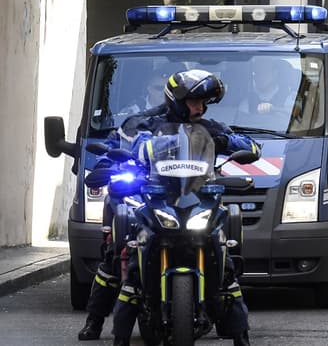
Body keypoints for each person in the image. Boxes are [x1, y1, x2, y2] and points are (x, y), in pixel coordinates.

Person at [78, 69, 258, 346]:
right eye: (195, 102)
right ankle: (95, 320)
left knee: (224, 260)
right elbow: (114, 146)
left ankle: (238, 332)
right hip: (152, 198)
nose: (201, 108)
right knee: (120, 255)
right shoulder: (141, 124)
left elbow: (252, 148)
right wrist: (105, 168)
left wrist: (227, 142)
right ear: (177, 100)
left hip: (194, 201)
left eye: (203, 102)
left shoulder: (209, 127)